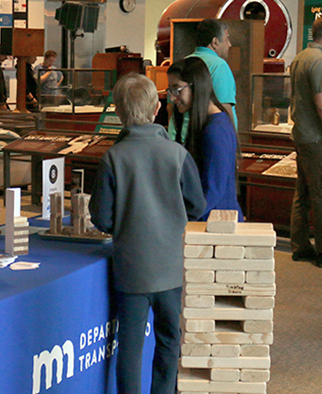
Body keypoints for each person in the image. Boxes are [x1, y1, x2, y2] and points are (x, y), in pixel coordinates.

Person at [89, 73, 206, 394]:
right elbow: (197, 206)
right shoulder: (177, 154)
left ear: (118, 111)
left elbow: (101, 217)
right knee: (169, 340)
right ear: (158, 108)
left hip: (131, 272)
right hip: (170, 270)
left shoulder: (113, 158)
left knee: (130, 345)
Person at [167, 57, 243, 221]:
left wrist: (177, 219)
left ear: (196, 86)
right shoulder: (210, 124)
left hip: (216, 224)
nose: (172, 98)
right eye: (170, 91)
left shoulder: (216, 130)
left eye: (177, 90)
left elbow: (211, 191)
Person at [169, 18, 237, 143]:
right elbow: (224, 108)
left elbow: (172, 106)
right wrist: (232, 144)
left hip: (180, 139)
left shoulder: (184, 63)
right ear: (215, 42)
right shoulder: (219, 66)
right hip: (206, 141)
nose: (229, 44)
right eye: (227, 39)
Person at [289, 17, 322, 266]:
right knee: (320, 194)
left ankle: (300, 245)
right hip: (316, 138)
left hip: (301, 134)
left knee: (302, 191)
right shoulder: (320, 61)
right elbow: (321, 104)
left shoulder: (302, 56)